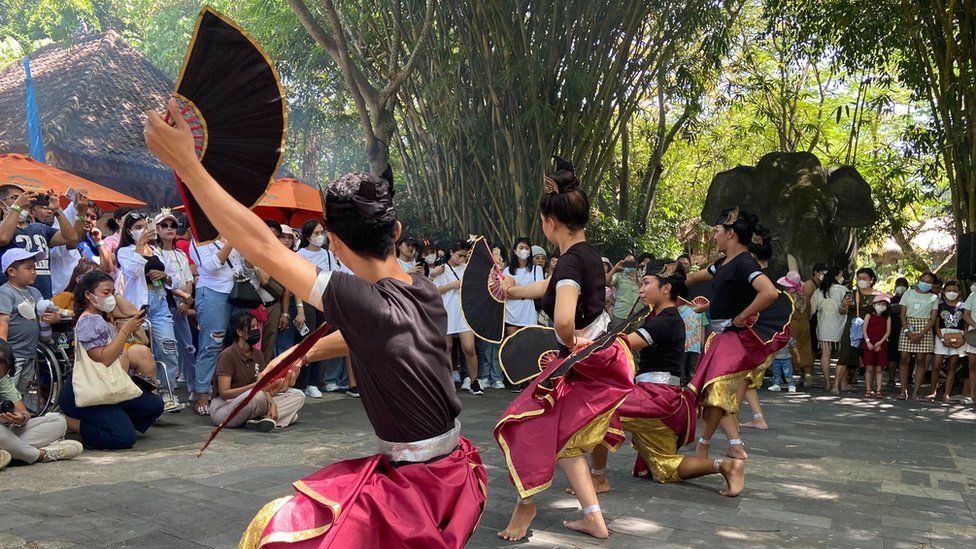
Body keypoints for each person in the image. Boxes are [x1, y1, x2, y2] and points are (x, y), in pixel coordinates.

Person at [147, 101, 486, 547]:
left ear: (337, 244)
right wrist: (299, 351)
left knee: (276, 532)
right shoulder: (420, 288)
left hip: (416, 489)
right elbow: (381, 338)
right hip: (451, 470)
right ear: (396, 230)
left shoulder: (360, 299)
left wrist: (188, 166)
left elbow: (264, 247)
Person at [496, 156, 633, 541]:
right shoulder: (585, 254)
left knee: (520, 425)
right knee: (567, 439)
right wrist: (512, 291)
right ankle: (593, 517)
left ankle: (527, 503)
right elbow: (550, 287)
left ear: (550, 222)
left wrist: (571, 343)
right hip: (594, 358)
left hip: (579, 361)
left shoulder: (570, 264)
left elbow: (562, 318)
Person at [584, 261, 745, 498]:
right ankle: (725, 465)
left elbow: (621, 345)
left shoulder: (665, 320)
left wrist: (580, 345)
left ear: (666, 288)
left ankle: (598, 478)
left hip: (656, 397)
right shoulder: (660, 316)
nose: (641, 288)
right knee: (665, 466)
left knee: (601, 408)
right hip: (662, 398)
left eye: (647, 283)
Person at [685, 207, 780, 461]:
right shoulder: (723, 264)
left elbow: (769, 293)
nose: (713, 236)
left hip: (733, 339)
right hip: (718, 338)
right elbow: (694, 278)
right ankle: (733, 444)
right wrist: (664, 281)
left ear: (730, 234)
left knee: (715, 392)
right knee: (713, 394)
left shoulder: (744, 263)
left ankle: (704, 445)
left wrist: (740, 316)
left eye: (717, 231)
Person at [58, 270, 164, 449]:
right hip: (89, 390)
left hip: (109, 385)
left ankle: (114, 422)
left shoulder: (102, 318)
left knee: (154, 405)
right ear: (88, 295)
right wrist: (124, 331)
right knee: (124, 439)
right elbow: (103, 359)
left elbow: (130, 314)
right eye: (106, 293)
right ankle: (73, 423)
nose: (111, 297)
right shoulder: (88, 321)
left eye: (113, 292)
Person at [116, 212, 182, 410]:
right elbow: (132, 272)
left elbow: (175, 279)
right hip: (138, 306)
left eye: (145, 226)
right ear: (129, 231)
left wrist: (165, 276)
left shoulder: (157, 250)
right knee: (140, 352)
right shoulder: (125, 251)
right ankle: (144, 396)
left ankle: (167, 393)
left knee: (168, 348)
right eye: (137, 227)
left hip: (160, 300)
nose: (143, 230)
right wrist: (139, 246)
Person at [210, 312, 305, 431]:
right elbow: (224, 393)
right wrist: (254, 387)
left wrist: (272, 404)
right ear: (240, 332)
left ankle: (260, 419)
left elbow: (264, 386)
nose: (256, 330)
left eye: (257, 327)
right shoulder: (228, 355)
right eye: (252, 327)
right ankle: (275, 417)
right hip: (225, 407)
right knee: (257, 396)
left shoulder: (257, 354)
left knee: (297, 395)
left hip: (253, 400)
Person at [0, 339, 83, 464]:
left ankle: (10, 453)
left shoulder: (3, 379)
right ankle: (41, 455)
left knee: (58, 421)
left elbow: (24, 412)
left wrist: (20, 418)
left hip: (7, 434)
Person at [188, 236, 241, 416]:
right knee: (211, 344)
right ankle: (202, 394)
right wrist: (233, 241)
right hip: (212, 291)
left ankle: (227, 390)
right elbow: (210, 265)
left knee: (237, 343)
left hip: (237, 292)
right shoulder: (199, 239)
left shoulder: (229, 232)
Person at [295, 220, 348, 397]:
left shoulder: (327, 255)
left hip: (324, 301)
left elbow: (333, 278)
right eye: (316, 233)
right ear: (308, 236)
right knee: (305, 341)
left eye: (322, 232)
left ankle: (313, 382)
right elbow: (295, 282)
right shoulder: (300, 254)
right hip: (307, 299)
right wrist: (300, 309)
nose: (320, 236)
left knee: (320, 339)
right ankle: (299, 382)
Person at [0, 186, 81, 299]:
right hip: (11, 301)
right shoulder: (2, 229)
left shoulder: (40, 228)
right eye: (15, 198)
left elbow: (71, 238)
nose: (23, 200)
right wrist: (17, 207)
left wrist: (57, 210)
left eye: (25, 197)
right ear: (2, 205)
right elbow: (3, 238)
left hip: (43, 298)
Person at [0, 249, 59, 395]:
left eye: (34, 268)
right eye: (28, 268)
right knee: (8, 390)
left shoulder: (35, 292)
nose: (34, 272)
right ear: (12, 271)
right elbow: (3, 320)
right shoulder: (5, 292)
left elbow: (47, 310)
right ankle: (6, 415)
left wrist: (54, 317)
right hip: (13, 352)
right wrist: (2, 348)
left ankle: (18, 414)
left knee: (22, 389)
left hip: (30, 351)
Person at [431, 240, 483, 395]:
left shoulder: (468, 268)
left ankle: (474, 381)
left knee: (469, 348)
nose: (462, 259)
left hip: (464, 313)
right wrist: (451, 285)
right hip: (445, 311)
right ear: (452, 252)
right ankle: (448, 382)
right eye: (459, 255)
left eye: (465, 256)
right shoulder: (441, 269)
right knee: (447, 348)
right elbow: (434, 292)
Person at [154, 211, 197, 394]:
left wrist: (186, 301)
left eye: (172, 225)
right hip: (162, 302)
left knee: (188, 347)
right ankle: (166, 388)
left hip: (181, 303)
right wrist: (183, 296)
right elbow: (161, 280)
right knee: (164, 348)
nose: (170, 229)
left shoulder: (180, 253)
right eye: (164, 225)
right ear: (157, 229)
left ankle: (194, 386)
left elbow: (188, 278)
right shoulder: (153, 252)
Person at [833, 268, 878, 393]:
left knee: (871, 356)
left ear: (871, 279)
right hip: (853, 328)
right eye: (859, 278)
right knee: (845, 354)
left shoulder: (877, 295)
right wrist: (843, 305)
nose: (861, 281)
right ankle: (836, 385)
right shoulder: (851, 294)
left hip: (871, 328)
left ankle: (871, 387)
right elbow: (842, 312)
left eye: (864, 278)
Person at [899, 273, 939, 400]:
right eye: (923, 280)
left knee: (921, 359)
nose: (925, 283)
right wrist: (907, 331)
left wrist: (922, 333)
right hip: (908, 325)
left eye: (928, 281)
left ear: (932, 284)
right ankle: (903, 390)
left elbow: (933, 318)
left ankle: (916, 392)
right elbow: (902, 314)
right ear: (918, 280)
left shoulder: (934, 297)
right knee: (904, 357)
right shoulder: (908, 294)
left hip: (925, 327)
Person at [811, 266, 848, 389]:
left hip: (823, 328)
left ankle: (827, 383)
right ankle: (841, 383)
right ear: (836, 276)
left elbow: (811, 311)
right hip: (841, 328)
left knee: (825, 355)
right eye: (841, 275)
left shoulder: (818, 291)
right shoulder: (843, 290)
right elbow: (849, 308)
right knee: (843, 355)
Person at [780, 270, 814, 386]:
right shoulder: (804, 297)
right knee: (805, 348)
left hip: (791, 325)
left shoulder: (786, 297)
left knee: (790, 349)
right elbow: (809, 314)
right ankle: (807, 373)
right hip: (805, 325)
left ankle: (787, 376)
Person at [933, 280, 965, 401]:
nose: (952, 293)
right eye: (949, 290)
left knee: (952, 366)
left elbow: (966, 325)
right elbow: (936, 324)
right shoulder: (939, 305)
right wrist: (941, 338)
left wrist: (963, 340)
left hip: (959, 336)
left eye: (955, 291)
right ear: (943, 291)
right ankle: (933, 392)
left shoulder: (964, 306)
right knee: (936, 365)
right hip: (942, 335)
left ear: (959, 292)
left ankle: (947, 393)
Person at [861, 294, 891, 398]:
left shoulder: (887, 318)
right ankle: (868, 389)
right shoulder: (868, 315)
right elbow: (864, 329)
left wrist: (880, 343)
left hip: (881, 345)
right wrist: (868, 342)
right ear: (874, 305)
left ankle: (878, 389)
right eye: (879, 304)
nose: (881, 306)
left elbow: (888, 332)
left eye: (884, 305)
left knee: (879, 369)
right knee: (869, 367)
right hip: (869, 344)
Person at [606, 252, 640, 328]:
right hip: (621, 313)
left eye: (632, 261)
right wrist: (615, 268)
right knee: (617, 337)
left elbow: (645, 291)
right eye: (627, 262)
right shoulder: (618, 276)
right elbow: (606, 283)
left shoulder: (642, 275)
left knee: (635, 337)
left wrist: (636, 279)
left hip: (638, 314)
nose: (630, 264)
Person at [888, 277, 909, 387]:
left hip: (907, 332)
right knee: (892, 356)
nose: (901, 287)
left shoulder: (910, 300)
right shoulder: (890, 301)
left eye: (903, 284)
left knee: (906, 356)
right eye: (899, 284)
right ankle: (891, 379)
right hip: (893, 332)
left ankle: (907, 378)